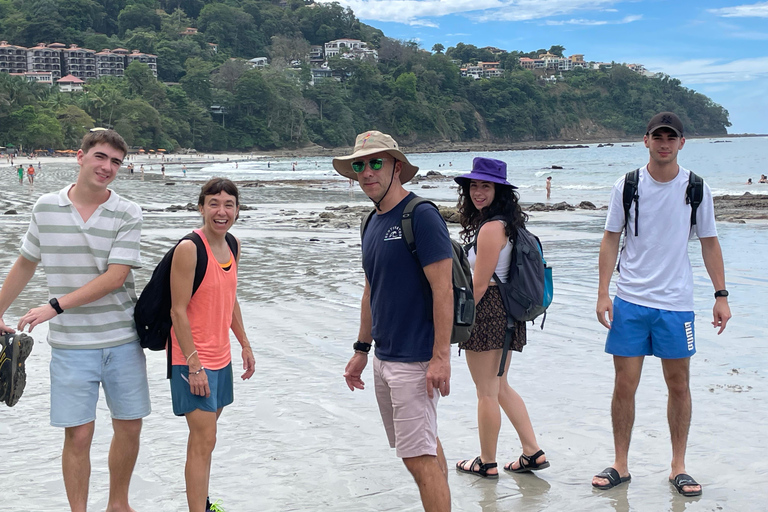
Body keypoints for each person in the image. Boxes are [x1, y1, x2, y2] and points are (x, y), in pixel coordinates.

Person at [0, 129, 149, 511]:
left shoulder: (127, 212)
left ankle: (119, 504)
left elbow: (116, 277)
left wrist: (56, 305)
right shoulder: (46, 207)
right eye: (100, 157)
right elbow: (25, 263)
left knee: (129, 426)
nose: (107, 167)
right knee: (78, 436)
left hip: (121, 339)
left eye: (116, 161)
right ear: (80, 157)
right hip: (70, 346)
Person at [593, 112, 731, 496]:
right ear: (646, 140)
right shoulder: (628, 184)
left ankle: (678, 466)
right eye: (658, 137)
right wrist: (603, 292)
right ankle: (620, 463)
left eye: (672, 137)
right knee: (625, 384)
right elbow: (609, 237)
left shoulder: (696, 188)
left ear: (682, 143)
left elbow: (709, 241)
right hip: (631, 301)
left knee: (679, 385)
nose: (664, 143)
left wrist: (720, 295)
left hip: (676, 303)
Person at [336, 131, 454, 512]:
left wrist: (440, 357)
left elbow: (443, 290)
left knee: (417, 458)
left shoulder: (421, 215)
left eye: (376, 163)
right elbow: (372, 291)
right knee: (424, 449)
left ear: (396, 167)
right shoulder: (370, 221)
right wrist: (361, 349)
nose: (367, 171)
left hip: (415, 359)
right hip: (385, 358)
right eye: (360, 165)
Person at [454, 158, 549, 479]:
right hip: (506, 313)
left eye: (486, 186)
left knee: (486, 392)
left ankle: (487, 462)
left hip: (489, 311)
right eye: (474, 186)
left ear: (500, 191)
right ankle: (532, 452)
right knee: (499, 386)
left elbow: (478, 286)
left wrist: (454, 323)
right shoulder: (507, 225)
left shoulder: (492, 228)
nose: (478, 192)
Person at [169, 178, 255, 512]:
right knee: (203, 440)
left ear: (237, 209)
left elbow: (230, 298)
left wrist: (245, 344)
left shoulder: (233, 245)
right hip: (191, 360)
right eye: (214, 203)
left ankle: (202, 503)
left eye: (229, 204)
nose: (222, 211)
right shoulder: (190, 248)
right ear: (202, 206)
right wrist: (193, 364)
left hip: (222, 358)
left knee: (208, 440)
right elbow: (177, 310)